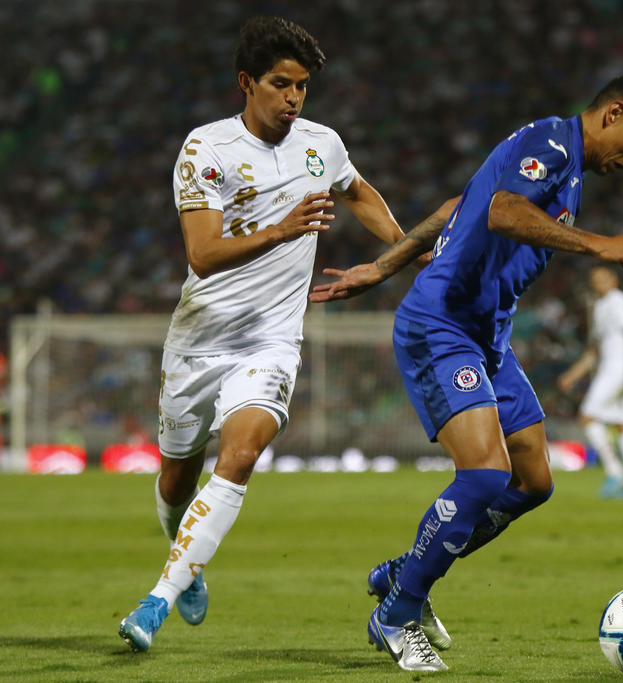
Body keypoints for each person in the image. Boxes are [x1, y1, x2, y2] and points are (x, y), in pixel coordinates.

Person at [312, 73, 623, 672]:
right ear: (613, 113)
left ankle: (405, 572)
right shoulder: (551, 144)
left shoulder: (568, 167)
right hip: (443, 325)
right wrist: (598, 244)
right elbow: (502, 212)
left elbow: (460, 208)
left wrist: (383, 265)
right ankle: (398, 614)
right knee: (484, 474)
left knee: (534, 481)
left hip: (487, 337)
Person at [117, 16, 425, 653]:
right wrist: (282, 229)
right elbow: (202, 254)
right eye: (281, 84)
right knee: (176, 481)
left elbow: (358, 191)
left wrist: (403, 248)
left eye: (302, 86)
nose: (294, 97)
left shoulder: (322, 144)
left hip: (271, 340)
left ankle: (158, 599)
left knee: (240, 456)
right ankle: (186, 552)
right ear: (246, 83)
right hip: (199, 339)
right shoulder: (206, 150)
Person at [557, 266, 623, 499]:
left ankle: (614, 470)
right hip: (612, 369)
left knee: (587, 415)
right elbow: (594, 350)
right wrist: (573, 375)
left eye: (603, 278)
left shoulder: (620, 301)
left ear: (614, 280)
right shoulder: (598, 307)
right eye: (595, 279)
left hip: (619, 368)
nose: (599, 283)